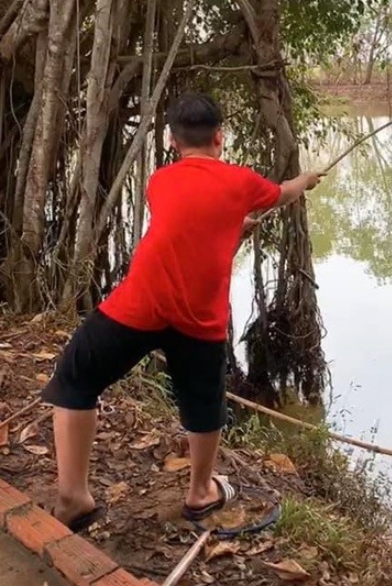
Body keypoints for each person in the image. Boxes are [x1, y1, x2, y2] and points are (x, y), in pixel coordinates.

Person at [42, 92, 323, 532]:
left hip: (139, 305)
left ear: (172, 141)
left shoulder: (160, 182)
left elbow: (187, 228)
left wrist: (233, 228)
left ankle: (73, 497)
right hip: (197, 318)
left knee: (75, 378)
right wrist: (304, 180)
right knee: (204, 406)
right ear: (220, 137)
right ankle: (200, 493)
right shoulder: (242, 182)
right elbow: (281, 193)